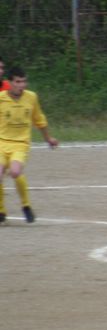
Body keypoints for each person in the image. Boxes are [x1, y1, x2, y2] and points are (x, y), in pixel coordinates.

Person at [0, 66, 59, 225]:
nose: (22, 85)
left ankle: (26, 205)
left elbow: (39, 120)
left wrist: (48, 138)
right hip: (1, 142)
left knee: (15, 171)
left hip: (20, 143)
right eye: (18, 82)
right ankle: (1, 211)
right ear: (10, 83)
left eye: (24, 81)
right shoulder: (1, 98)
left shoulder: (31, 97)